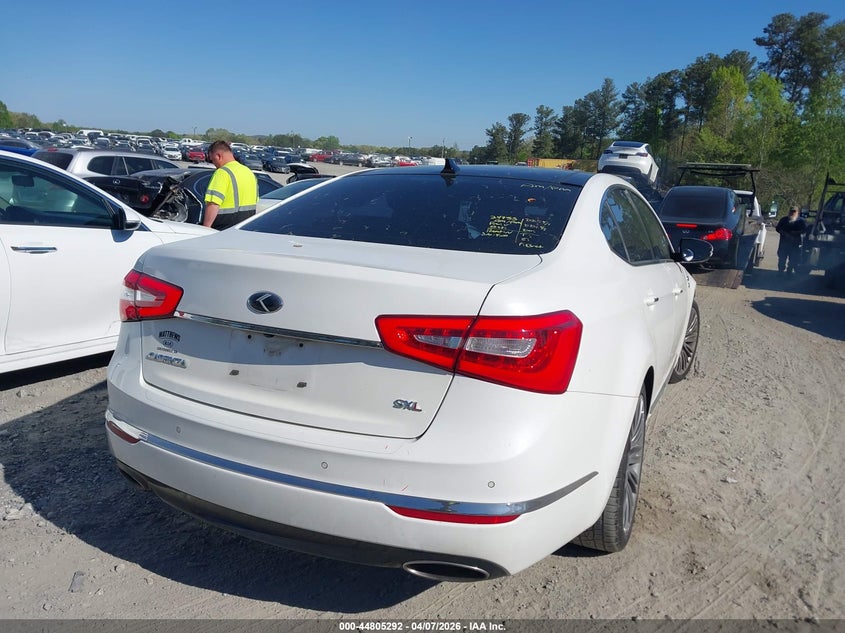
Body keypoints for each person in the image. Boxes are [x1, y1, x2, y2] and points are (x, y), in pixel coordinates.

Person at [202, 140, 258, 229]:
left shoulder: (222, 172)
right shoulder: (249, 172)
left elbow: (213, 204)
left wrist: (205, 229)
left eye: (212, 160)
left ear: (218, 156)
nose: (214, 164)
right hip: (245, 228)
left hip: (223, 228)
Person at [775, 206, 807, 274]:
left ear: (797, 212)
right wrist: (785, 234)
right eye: (791, 211)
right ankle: (780, 272)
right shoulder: (784, 219)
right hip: (784, 244)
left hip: (795, 244)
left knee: (793, 260)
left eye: (794, 211)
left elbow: (804, 230)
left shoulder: (801, 221)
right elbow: (778, 229)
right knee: (782, 259)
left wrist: (796, 233)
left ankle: (789, 272)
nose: (792, 213)